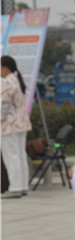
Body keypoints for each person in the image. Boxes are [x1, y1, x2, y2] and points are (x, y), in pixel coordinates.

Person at [1, 56, 31, 199]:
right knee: (20, 155)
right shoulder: (17, 80)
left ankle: (14, 188)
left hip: (9, 125)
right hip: (21, 122)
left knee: (11, 156)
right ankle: (22, 186)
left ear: (5, 67)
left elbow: (2, 105)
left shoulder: (7, 82)